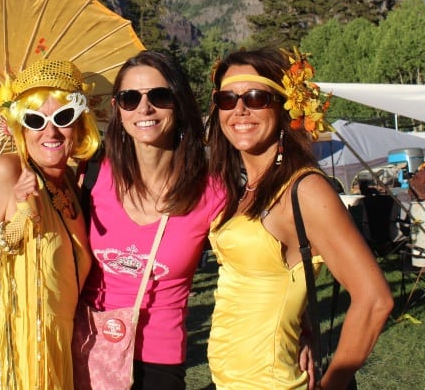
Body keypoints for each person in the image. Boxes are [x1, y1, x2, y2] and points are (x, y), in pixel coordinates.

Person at [206, 48, 393, 390]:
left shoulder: (305, 190)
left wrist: (332, 385)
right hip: (231, 379)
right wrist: (302, 323)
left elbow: (375, 299)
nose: (240, 109)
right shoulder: (244, 187)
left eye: (256, 97)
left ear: (284, 107)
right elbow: (282, 275)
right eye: (227, 98)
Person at [0, 58, 101, 389]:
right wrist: (14, 229)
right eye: (35, 120)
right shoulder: (7, 173)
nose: (51, 132)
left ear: (80, 124)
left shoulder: (72, 183)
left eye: (63, 117)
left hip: (55, 357)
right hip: (5, 364)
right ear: (21, 127)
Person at [78, 50, 224, 389]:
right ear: (117, 109)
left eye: (159, 96)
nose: (144, 109)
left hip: (159, 359)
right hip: (86, 342)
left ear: (180, 103)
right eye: (130, 98)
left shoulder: (211, 191)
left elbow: (257, 260)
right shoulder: (91, 175)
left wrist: (301, 325)